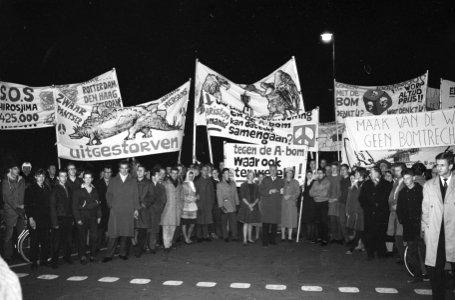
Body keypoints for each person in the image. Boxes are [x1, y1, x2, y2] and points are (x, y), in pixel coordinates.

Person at [422, 152, 455, 299]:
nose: (439, 168)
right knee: (435, 270)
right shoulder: (429, 185)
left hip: (453, 233)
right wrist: (425, 230)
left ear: (451, 166)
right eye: (437, 165)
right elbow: (425, 210)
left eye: (442, 165)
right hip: (436, 233)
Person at [103, 160, 139, 262]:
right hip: (116, 211)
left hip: (128, 210)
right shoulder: (113, 180)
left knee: (125, 233)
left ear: (128, 169)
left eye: (126, 168)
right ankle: (109, 255)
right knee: (113, 233)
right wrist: (111, 205)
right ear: (119, 169)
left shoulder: (132, 180)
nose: (124, 170)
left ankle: (123, 253)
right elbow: (108, 194)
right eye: (122, 168)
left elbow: (136, 196)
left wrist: (136, 209)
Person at [396, 168, 427, 283]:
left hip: (421, 225)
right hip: (409, 227)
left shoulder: (422, 190)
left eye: (408, 178)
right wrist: (403, 220)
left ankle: (429, 274)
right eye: (404, 178)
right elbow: (400, 209)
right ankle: (417, 275)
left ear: (413, 178)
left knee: (425, 252)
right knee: (411, 253)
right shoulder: (402, 192)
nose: (406, 180)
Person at [360, 167, 392, 260]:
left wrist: (380, 206)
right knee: (369, 235)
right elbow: (361, 198)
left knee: (381, 234)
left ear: (378, 173)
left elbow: (388, 199)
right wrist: (367, 207)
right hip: (369, 214)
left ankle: (381, 253)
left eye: (372, 172)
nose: (370, 174)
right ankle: (370, 254)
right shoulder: (366, 184)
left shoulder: (386, 184)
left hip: (381, 215)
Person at [24, 169, 52, 269]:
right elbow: (27, 205)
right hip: (35, 219)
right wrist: (31, 219)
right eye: (39, 176)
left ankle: (44, 259)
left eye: (43, 176)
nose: (41, 178)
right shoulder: (30, 189)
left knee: (45, 240)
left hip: (45, 219)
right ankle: (34, 262)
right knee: (35, 241)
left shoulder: (46, 188)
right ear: (35, 177)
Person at [73, 171, 101, 264]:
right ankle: (82, 255)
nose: (88, 180)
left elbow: (98, 204)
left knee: (94, 236)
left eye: (90, 178)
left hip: (93, 216)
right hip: (82, 217)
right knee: (82, 237)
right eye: (86, 178)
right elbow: (75, 206)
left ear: (92, 179)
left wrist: (99, 215)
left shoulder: (95, 190)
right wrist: (78, 219)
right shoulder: (78, 191)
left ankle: (93, 255)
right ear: (83, 179)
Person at [1, 162, 26, 262]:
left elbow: (23, 194)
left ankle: (20, 253)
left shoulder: (21, 180)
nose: (17, 170)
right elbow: (7, 197)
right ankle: (7, 255)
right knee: (9, 234)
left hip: (21, 209)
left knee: (21, 234)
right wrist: (17, 206)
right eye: (15, 168)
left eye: (18, 169)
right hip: (10, 211)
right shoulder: (5, 181)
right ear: (10, 169)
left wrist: (23, 206)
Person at [49, 169, 73, 268]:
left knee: (69, 240)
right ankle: (54, 261)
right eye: (62, 176)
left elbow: (71, 205)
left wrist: (72, 219)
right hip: (59, 218)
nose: (64, 178)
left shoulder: (68, 188)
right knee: (57, 242)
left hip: (68, 218)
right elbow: (52, 207)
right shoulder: (55, 189)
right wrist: (55, 222)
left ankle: (67, 257)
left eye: (65, 176)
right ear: (58, 177)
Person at [259, 165, 284, 247]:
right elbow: (261, 190)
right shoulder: (265, 180)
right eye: (271, 170)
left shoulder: (280, 180)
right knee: (265, 224)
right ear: (269, 171)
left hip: (276, 205)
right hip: (267, 205)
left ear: (277, 171)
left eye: (274, 170)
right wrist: (269, 191)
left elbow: (283, 191)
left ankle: (272, 240)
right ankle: (265, 241)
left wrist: (282, 192)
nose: (273, 171)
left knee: (274, 224)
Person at [387, 162, 406, 263]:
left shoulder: (406, 182)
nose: (396, 172)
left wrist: (399, 206)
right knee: (397, 237)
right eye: (395, 170)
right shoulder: (396, 182)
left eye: (398, 170)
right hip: (394, 214)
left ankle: (406, 259)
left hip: (401, 215)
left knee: (401, 237)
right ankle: (403, 257)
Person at [161, 167, 183, 252]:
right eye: (172, 173)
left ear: (178, 174)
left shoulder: (180, 184)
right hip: (167, 209)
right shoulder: (165, 183)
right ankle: (166, 246)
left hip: (176, 209)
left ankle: (169, 243)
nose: (174, 175)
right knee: (166, 227)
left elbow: (181, 197)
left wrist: (181, 206)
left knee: (173, 228)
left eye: (175, 173)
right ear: (170, 174)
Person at [345, 169, 367, 254]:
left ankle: (352, 247)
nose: (355, 174)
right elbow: (349, 198)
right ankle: (359, 245)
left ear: (362, 174)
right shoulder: (355, 184)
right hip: (353, 210)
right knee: (355, 229)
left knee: (359, 229)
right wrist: (347, 210)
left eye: (357, 173)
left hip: (361, 211)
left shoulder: (365, 184)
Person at [134, 165, 153, 258]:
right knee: (131, 229)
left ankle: (139, 250)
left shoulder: (149, 183)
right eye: (138, 170)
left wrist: (144, 204)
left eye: (141, 170)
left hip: (144, 210)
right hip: (132, 209)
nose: (139, 172)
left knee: (142, 231)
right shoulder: (131, 182)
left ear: (145, 172)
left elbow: (152, 196)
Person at [238, 171, 261, 245]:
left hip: (254, 206)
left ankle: (249, 238)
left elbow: (258, 196)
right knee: (246, 223)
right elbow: (242, 196)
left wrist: (253, 204)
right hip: (246, 206)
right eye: (249, 175)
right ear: (247, 176)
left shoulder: (256, 186)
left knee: (251, 223)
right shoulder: (243, 185)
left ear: (254, 176)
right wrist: (249, 205)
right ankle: (244, 240)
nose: (251, 176)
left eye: (252, 175)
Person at [309, 168, 331, 246]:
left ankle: (325, 239)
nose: (319, 174)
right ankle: (319, 237)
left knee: (324, 222)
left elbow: (325, 193)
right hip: (316, 203)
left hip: (324, 203)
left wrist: (316, 193)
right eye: (318, 173)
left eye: (321, 173)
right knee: (318, 221)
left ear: (324, 174)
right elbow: (310, 193)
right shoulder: (315, 182)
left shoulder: (327, 182)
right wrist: (318, 193)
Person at [217, 168, 240, 242]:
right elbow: (219, 196)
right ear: (223, 174)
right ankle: (225, 236)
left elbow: (235, 194)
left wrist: (237, 204)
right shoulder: (219, 184)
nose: (227, 174)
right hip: (225, 205)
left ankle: (234, 236)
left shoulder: (233, 183)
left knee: (233, 222)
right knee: (224, 222)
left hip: (233, 205)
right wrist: (221, 206)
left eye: (228, 173)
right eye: (226, 173)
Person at [195, 165, 215, 242]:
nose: (205, 171)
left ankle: (205, 235)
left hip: (208, 204)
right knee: (199, 221)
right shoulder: (197, 181)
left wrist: (212, 203)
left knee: (206, 220)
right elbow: (195, 193)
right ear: (201, 171)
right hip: (200, 203)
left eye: (206, 170)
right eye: (204, 170)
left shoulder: (210, 181)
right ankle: (199, 236)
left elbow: (212, 193)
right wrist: (196, 200)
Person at [148, 168, 166, 254]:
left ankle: (152, 246)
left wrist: (159, 209)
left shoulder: (161, 187)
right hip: (147, 212)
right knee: (146, 230)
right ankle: (145, 245)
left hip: (156, 212)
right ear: (153, 176)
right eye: (157, 175)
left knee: (154, 230)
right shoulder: (147, 185)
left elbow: (163, 200)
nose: (159, 176)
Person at [280, 168, 300, 242]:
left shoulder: (295, 182)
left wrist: (291, 196)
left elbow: (297, 192)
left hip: (291, 203)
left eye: (291, 173)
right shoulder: (282, 181)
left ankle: (290, 236)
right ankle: (282, 235)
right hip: (283, 202)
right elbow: (279, 190)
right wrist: (282, 194)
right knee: (283, 218)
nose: (290, 174)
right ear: (285, 173)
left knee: (291, 219)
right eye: (288, 173)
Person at [95, 165, 112, 249]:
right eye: (106, 172)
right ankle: (97, 247)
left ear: (111, 173)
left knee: (110, 228)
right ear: (103, 173)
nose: (107, 174)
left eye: (109, 172)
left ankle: (110, 246)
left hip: (112, 209)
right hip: (101, 209)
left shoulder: (114, 182)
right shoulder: (97, 183)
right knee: (100, 229)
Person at [181, 171, 198, 244]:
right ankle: (186, 238)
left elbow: (194, 194)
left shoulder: (193, 183)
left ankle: (188, 237)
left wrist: (196, 198)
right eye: (190, 176)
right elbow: (182, 195)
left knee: (192, 223)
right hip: (186, 206)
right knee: (184, 223)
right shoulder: (184, 184)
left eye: (192, 176)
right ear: (187, 176)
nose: (191, 177)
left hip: (193, 206)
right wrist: (190, 199)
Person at [327, 163, 343, 243]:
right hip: (330, 202)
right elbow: (326, 189)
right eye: (332, 167)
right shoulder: (328, 178)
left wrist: (336, 198)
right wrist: (328, 198)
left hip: (339, 201)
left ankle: (339, 238)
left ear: (337, 168)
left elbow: (343, 190)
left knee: (339, 220)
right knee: (332, 220)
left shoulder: (341, 177)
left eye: (335, 167)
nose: (333, 169)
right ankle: (333, 237)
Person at [301, 170, 316, 241]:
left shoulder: (314, 182)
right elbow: (303, 194)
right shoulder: (304, 183)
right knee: (307, 221)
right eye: (307, 175)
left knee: (311, 221)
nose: (309, 176)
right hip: (306, 204)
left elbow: (312, 193)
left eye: (310, 174)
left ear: (312, 175)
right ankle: (307, 236)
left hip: (312, 204)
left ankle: (311, 236)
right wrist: (302, 190)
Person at [338, 164, 351, 244]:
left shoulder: (351, 180)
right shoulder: (341, 180)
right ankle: (347, 239)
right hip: (342, 203)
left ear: (347, 170)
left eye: (344, 169)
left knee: (349, 222)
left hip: (349, 204)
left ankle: (351, 238)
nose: (343, 171)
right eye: (341, 169)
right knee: (342, 222)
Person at [210, 168, 222, 239]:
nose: (214, 174)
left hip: (222, 202)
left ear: (218, 173)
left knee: (220, 218)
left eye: (216, 173)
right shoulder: (210, 181)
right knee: (215, 218)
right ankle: (213, 232)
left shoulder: (221, 180)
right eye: (213, 173)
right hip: (215, 202)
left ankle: (219, 232)